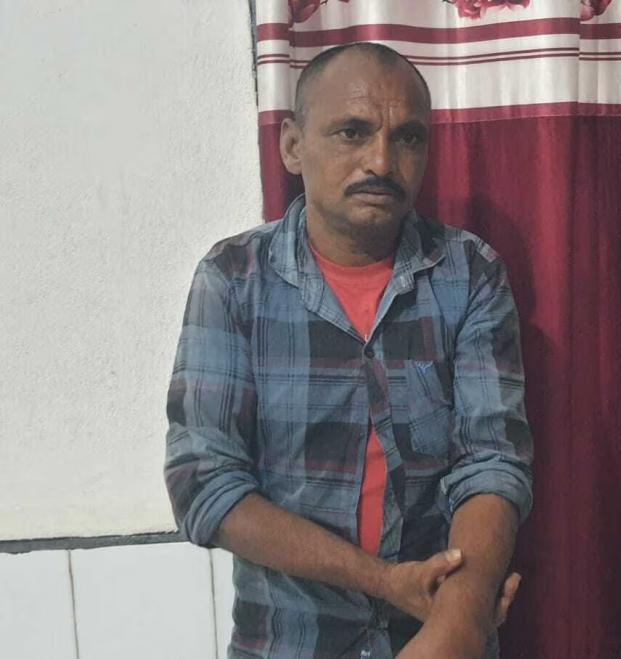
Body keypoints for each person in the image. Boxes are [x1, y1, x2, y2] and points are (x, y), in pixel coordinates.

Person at [164, 42, 533, 659]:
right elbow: (203, 483)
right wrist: (385, 582)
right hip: (289, 642)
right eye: (352, 132)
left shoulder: (468, 273)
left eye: (407, 138)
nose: (382, 161)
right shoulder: (234, 280)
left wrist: (461, 617)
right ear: (292, 146)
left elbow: (492, 462)